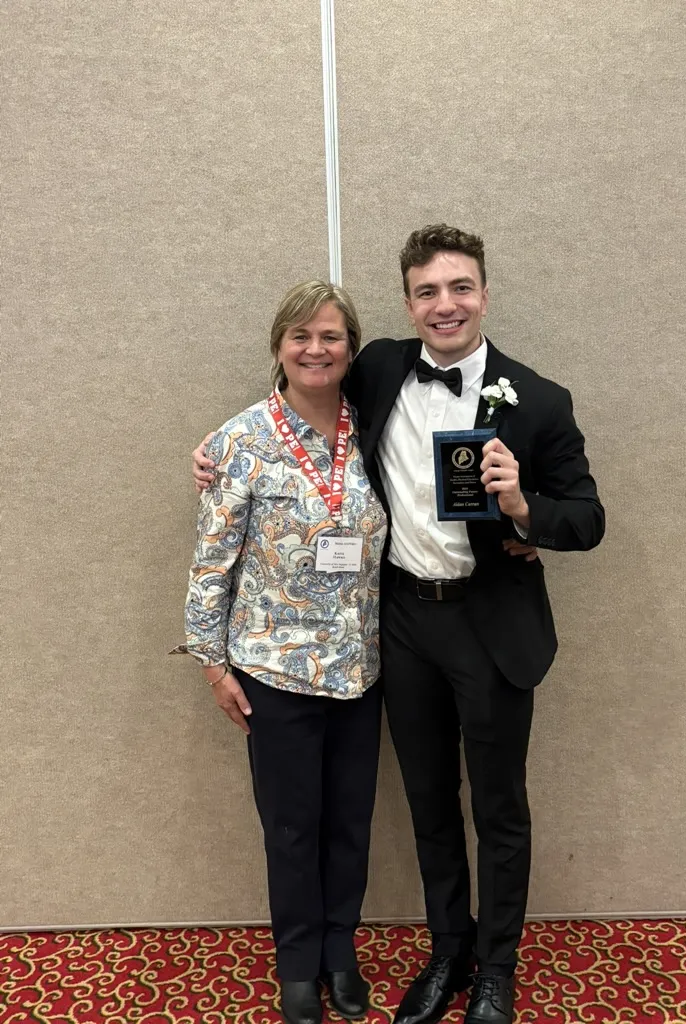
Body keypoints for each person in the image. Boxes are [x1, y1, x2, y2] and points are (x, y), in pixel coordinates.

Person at [193, 226, 604, 1024]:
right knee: (427, 801)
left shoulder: (538, 399)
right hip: (403, 628)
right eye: (426, 291)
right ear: (409, 303)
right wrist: (207, 452)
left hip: (491, 629)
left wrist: (525, 507)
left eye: (460, 288)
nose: (444, 305)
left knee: (498, 806)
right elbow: (286, 405)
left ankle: (496, 969)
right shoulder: (377, 366)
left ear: (483, 293)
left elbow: (587, 518)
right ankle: (447, 948)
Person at [177, 281, 388, 1024]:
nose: (315, 349)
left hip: (359, 670)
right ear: (279, 348)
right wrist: (212, 662)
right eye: (300, 335)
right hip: (274, 670)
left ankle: (341, 952)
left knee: (350, 824)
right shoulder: (239, 441)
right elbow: (212, 561)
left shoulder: (373, 433)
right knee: (292, 826)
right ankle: (299, 961)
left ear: (351, 350)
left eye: (330, 336)